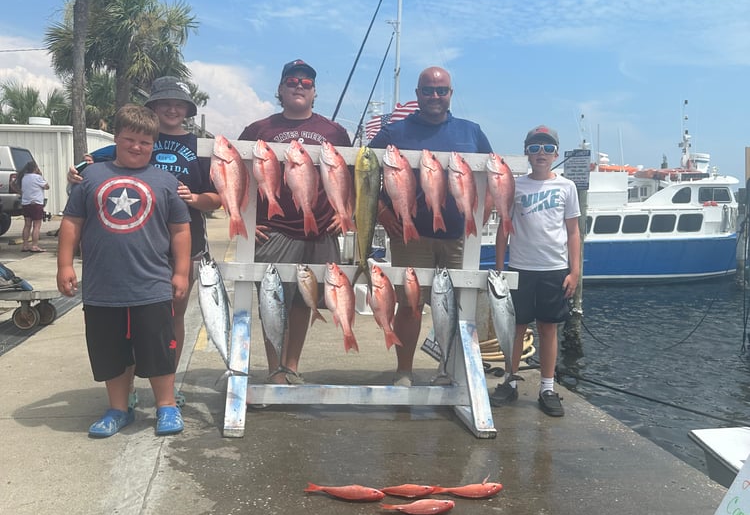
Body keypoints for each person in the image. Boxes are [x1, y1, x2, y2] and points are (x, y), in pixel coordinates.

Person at [68, 76, 222, 407]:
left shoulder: (203, 147)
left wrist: (195, 198)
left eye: (179, 104)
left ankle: (168, 385)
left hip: (184, 242)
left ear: (187, 110)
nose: (172, 109)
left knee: (170, 319)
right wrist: (76, 172)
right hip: (133, 244)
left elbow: (218, 197)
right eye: (165, 102)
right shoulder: (133, 138)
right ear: (151, 108)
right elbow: (89, 169)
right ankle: (129, 389)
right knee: (130, 322)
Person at [57, 104, 191, 438]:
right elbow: (72, 222)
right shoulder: (90, 177)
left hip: (153, 286)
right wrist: (64, 264)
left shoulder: (166, 181)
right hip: (103, 288)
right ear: (115, 138)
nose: (136, 147)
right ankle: (118, 409)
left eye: (145, 142)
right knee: (110, 353)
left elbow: (180, 230)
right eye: (130, 139)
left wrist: (181, 272)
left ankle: (166, 406)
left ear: (153, 145)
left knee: (159, 351)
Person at [368, 66, 492, 386]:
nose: (435, 96)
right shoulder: (394, 132)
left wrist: (483, 214)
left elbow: (495, 176)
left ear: (451, 93)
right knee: (410, 307)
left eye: (441, 90)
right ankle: (404, 372)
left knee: (456, 306)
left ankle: (447, 370)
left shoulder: (472, 132)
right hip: (412, 235)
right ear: (417, 94)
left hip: (459, 236)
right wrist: (381, 212)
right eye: (428, 90)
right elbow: (363, 173)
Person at [238, 59, 352, 384]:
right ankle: (274, 370)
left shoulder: (336, 132)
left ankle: (291, 366)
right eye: (292, 81)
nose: (299, 85)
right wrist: (246, 220)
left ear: (314, 92)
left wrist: (347, 213)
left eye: (306, 82)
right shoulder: (258, 130)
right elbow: (237, 177)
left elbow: (355, 178)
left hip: (320, 232)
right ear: (280, 89)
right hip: (274, 231)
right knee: (273, 300)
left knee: (306, 301)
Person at [492, 125, 581, 417]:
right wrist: (500, 267)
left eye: (546, 148)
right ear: (526, 153)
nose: (540, 153)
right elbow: (504, 228)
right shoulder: (515, 185)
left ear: (556, 153)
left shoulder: (566, 187)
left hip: (555, 269)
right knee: (515, 328)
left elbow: (573, 232)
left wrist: (574, 271)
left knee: (548, 328)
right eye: (534, 148)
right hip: (520, 268)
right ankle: (510, 380)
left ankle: (547, 387)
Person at [18, 160, 50, 252]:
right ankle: (34, 245)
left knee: (27, 225)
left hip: (26, 203)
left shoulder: (24, 177)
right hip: (36, 203)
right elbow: (47, 186)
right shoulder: (37, 177)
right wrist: (40, 174)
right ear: (35, 168)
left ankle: (25, 245)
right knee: (36, 225)